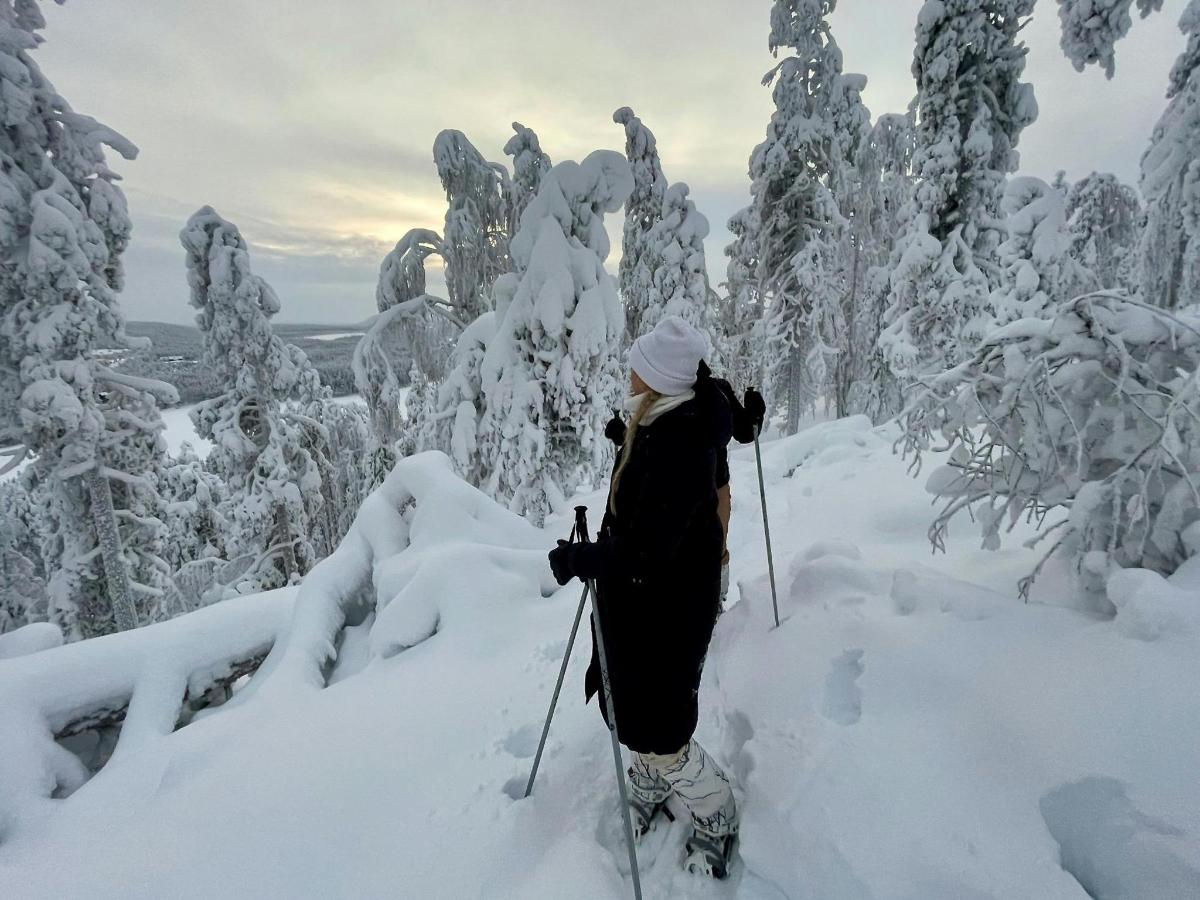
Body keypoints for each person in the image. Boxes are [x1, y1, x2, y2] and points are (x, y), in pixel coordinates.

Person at [548, 316, 739, 879]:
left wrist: (582, 560)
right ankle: (653, 774)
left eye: (638, 363)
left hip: (666, 607)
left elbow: (643, 551)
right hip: (651, 602)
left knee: (660, 724)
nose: (628, 370)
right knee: (637, 701)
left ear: (657, 377)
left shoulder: (677, 444)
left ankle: (714, 810)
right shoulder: (663, 420)